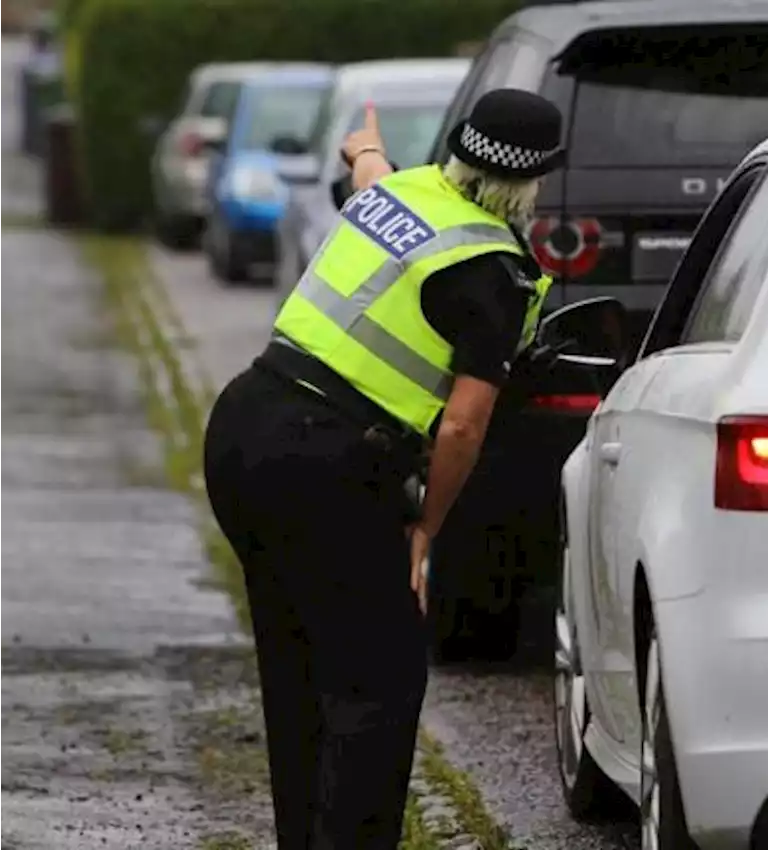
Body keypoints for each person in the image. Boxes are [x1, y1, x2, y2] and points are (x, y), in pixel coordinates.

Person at [201, 88, 564, 849]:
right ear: (534, 182)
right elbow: (465, 423)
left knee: (296, 664)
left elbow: (370, 172)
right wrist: (426, 528)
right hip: (324, 464)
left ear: (460, 151)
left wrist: (363, 144)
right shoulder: (495, 272)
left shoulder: (402, 192)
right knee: (380, 681)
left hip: (243, 425)